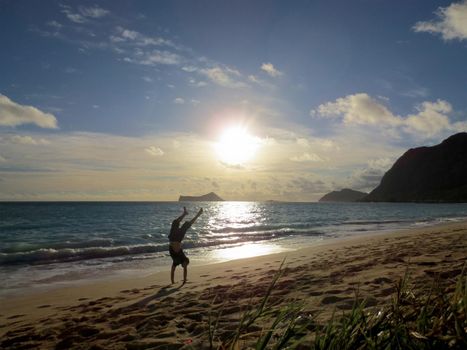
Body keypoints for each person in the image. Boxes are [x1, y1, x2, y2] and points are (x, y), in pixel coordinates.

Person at [168, 206, 203, 284]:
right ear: (186, 261)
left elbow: (172, 271)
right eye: (186, 265)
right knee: (186, 225)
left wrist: (172, 282)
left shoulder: (176, 262)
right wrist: (184, 280)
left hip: (172, 238)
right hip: (178, 238)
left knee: (175, 223)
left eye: (185, 266)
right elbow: (185, 270)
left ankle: (185, 214)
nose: (185, 266)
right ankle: (196, 214)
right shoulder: (183, 257)